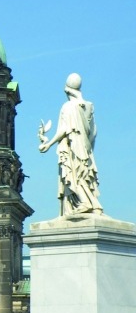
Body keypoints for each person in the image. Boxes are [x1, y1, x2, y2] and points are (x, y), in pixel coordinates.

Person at [39, 73, 102, 215]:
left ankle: (85, 202)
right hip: (85, 148)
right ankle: (94, 204)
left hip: (72, 147)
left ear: (67, 90)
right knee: (83, 176)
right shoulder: (88, 106)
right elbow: (94, 132)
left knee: (72, 176)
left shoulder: (68, 106)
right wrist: (89, 146)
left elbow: (64, 129)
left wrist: (48, 144)